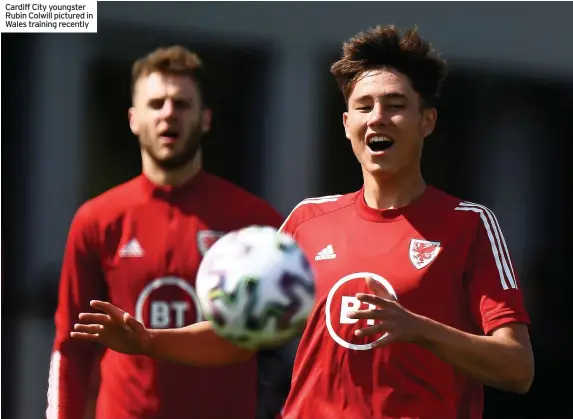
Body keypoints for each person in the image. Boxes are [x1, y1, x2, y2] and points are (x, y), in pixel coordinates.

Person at [70, 26, 534, 419]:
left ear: (427, 121)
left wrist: (418, 328)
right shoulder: (308, 221)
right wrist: (149, 339)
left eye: (395, 104)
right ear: (347, 122)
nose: (378, 117)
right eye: (365, 105)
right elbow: (237, 338)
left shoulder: (467, 225)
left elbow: (517, 369)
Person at [47, 45, 287, 419]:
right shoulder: (97, 219)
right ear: (133, 118)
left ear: (205, 119)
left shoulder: (256, 223)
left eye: (182, 104)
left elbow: (283, 340)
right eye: (156, 103)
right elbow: (70, 347)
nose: (168, 114)